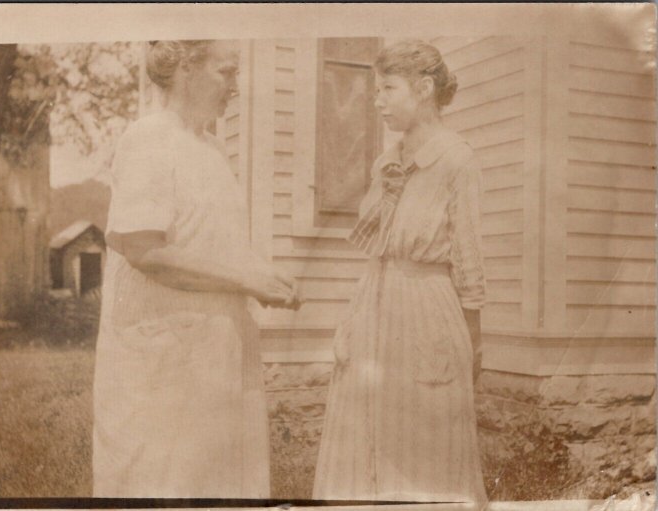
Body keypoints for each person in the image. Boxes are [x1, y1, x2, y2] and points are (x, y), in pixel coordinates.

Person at [92, 39, 299, 499]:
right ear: (187, 68)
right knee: (164, 479)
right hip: (161, 354)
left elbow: (210, 242)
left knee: (217, 477)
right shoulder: (149, 139)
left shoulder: (208, 148)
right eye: (226, 73)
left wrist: (262, 273)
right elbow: (145, 252)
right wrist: (248, 279)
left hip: (214, 348)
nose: (235, 88)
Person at [313, 39, 488, 506]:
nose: (377, 100)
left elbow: (468, 258)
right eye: (375, 89)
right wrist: (351, 321)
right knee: (368, 430)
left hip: (427, 308)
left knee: (423, 437)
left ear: (424, 88)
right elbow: (375, 250)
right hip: (375, 302)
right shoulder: (384, 162)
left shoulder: (456, 160)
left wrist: (472, 338)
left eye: (388, 88)